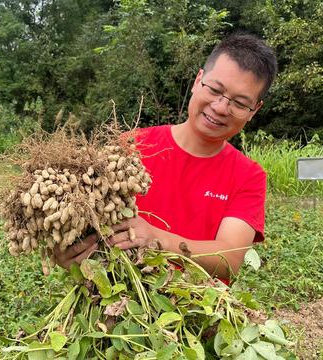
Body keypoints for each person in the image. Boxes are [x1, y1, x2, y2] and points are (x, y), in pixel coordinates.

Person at [54, 33, 278, 280]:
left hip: (196, 312)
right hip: (116, 306)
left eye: (239, 103)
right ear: (198, 80)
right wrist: (72, 254)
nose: (221, 107)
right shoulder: (130, 146)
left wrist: (156, 238)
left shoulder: (248, 175)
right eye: (215, 90)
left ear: (254, 110)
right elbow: (89, 225)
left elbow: (230, 258)